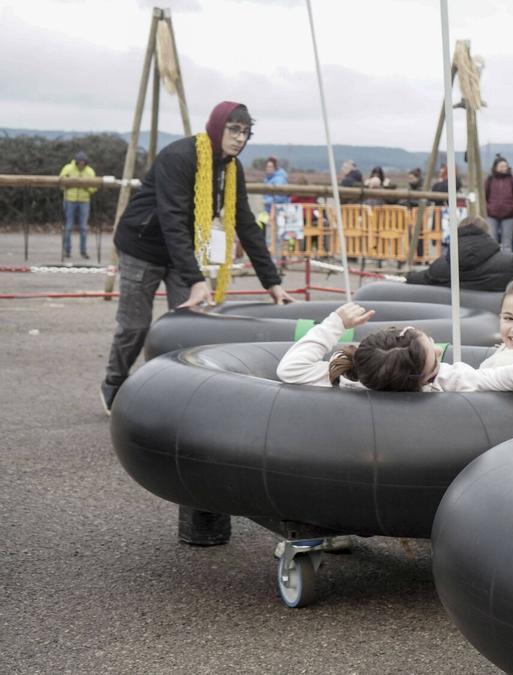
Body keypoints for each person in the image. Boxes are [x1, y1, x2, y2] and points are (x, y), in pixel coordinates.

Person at [102, 101, 294, 546]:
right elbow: (171, 216)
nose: (240, 138)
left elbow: (244, 222)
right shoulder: (180, 157)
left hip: (180, 250)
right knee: (134, 326)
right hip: (143, 244)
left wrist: (272, 281)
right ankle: (114, 382)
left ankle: (168, 397)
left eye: (246, 131)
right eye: (234, 129)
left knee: (182, 330)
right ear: (215, 127)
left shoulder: (233, 170)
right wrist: (194, 278)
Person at [276, 301, 513, 392]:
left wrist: (336, 323)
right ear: (424, 379)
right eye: (435, 360)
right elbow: (507, 378)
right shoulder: (446, 381)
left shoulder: (346, 379)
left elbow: (288, 369)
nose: (440, 352)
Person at [406, 216, 513, 291]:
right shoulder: (511, 263)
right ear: (486, 232)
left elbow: (416, 279)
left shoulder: (439, 267)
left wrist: (407, 276)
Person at [59, 151, 96, 259]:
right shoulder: (67, 168)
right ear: (76, 162)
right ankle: (67, 250)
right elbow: (60, 182)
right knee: (68, 226)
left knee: (84, 227)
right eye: (79, 162)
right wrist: (68, 186)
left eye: (83, 163)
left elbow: (94, 187)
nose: (81, 164)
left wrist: (86, 187)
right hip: (69, 200)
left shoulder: (90, 171)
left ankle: (83, 251)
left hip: (84, 201)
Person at [485, 156, 513, 252]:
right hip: (492, 214)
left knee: (507, 242)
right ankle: (492, 262)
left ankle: (506, 263)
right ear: (495, 167)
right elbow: (484, 195)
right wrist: (488, 207)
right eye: (501, 166)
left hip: (509, 215)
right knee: (492, 240)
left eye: (505, 166)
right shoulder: (490, 179)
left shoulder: (512, 180)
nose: (503, 168)